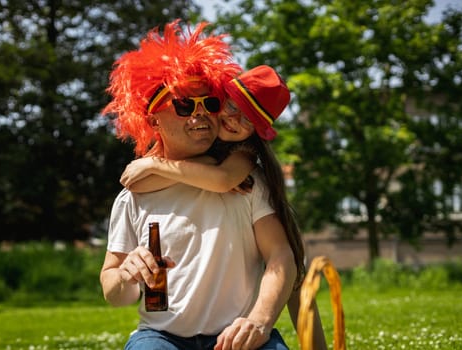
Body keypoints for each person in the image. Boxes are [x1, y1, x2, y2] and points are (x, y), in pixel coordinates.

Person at [100, 20, 296, 350]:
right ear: (153, 119)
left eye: (210, 103)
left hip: (238, 334)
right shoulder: (133, 196)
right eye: (184, 104)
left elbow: (280, 254)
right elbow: (113, 287)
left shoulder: (245, 177)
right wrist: (124, 276)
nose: (201, 114)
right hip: (162, 337)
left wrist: (259, 321)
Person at [120, 65, 328, 349]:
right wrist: (156, 167)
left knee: (294, 284)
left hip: (263, 227)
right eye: (230, 105)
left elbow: (221, 179)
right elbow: (137, 185)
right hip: (167, 330)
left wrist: (154, 164)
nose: (234, 118)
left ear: (256, 131)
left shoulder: (244, 154)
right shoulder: (203, 148)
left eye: (248, 118)